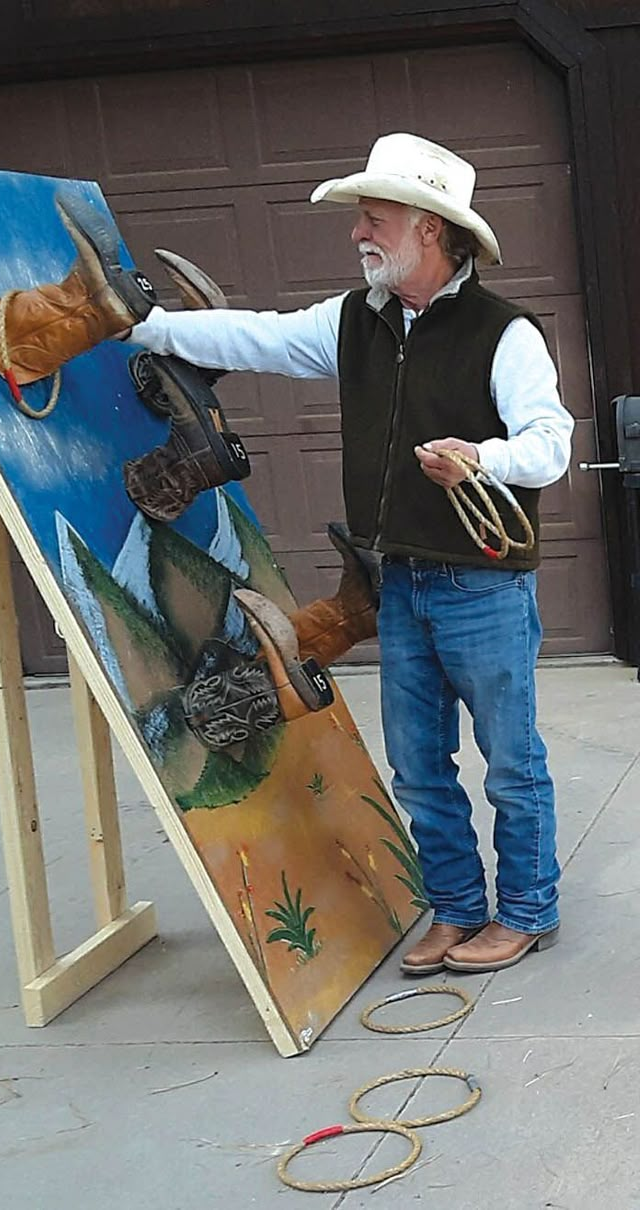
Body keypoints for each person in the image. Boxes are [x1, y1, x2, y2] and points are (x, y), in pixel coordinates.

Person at [126, 132, 574, 975]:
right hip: (398, 580)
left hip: (483, 586)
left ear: (431, 229)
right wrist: (149, 328)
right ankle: (455, 910)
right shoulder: (354, 321)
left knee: (511, 764)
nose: (358, 232)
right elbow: (257, 336)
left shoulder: (506, 332)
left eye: (374, 218)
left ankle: (525, 910)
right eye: (361, 218)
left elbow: (550, 445)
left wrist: (484, 458)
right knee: (417, 766)